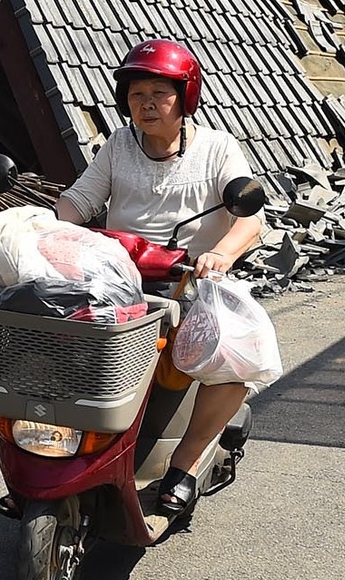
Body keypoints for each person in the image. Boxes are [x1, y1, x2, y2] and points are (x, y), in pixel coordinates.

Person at [54, 38, 268, 515]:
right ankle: (53, 459)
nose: (147, 105)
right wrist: (51, 231)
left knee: (234, 359)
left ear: (185, 96)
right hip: (120, 278)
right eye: (136, 95)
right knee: (57, 345)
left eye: (160, 94)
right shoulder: (118, 145)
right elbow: (80, 200)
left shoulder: (217, 148)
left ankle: (185, 465)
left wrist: (221, 254)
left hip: (193, 282)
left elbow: (250, 219)